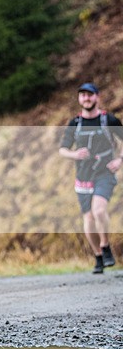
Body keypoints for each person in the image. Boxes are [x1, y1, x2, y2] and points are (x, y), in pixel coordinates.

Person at [59, 82, 123, 274]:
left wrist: (120, 160)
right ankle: (98, 257)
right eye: (83, 95)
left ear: (97, 97)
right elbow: (62, 149)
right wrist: (75, 154)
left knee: (99, 210)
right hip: (83, 176)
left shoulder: (108, 120)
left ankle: (105, 246)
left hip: (104, 173)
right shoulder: (75, 124)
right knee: (88, 218)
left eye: (90, 95)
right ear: (79, 99)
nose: (86, 98)